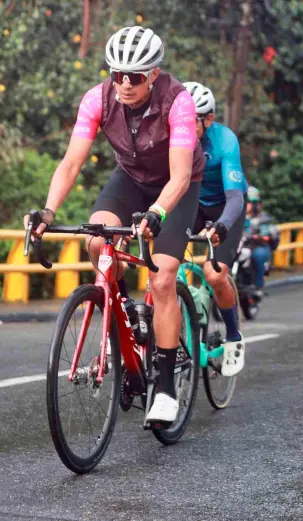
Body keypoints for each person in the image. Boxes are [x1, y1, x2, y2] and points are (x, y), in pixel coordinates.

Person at [26, 26, 204, 423]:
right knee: (96, 240)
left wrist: (157, 214)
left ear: (154, 74)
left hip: (177, 188)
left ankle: (166, 386)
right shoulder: (97, 99)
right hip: (129, 180)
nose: (123, 83)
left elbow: (178, 176)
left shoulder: (179, 102)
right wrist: (49, 211)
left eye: (135, 77)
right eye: (116, 74)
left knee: (162, 279)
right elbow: (72, 162)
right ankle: (125, 309)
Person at [184, 81, 247, 376]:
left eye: (190, 119)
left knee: (214, 273)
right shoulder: (173, 136)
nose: (181, 125)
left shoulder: (224, 141)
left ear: (208, 119)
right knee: (162, 268)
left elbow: (235, 197)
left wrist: (221, 225)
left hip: (225, 207)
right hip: (191, 205)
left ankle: (233, 336)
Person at [244, 187, 280, 291]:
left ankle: (257, 286)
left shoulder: (262, 218)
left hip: (257, 245)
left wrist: (260, 236)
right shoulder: (236, 215)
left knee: (258, 255)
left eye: (249, 202)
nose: (246, 204)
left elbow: (267, 233)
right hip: (240, 245)